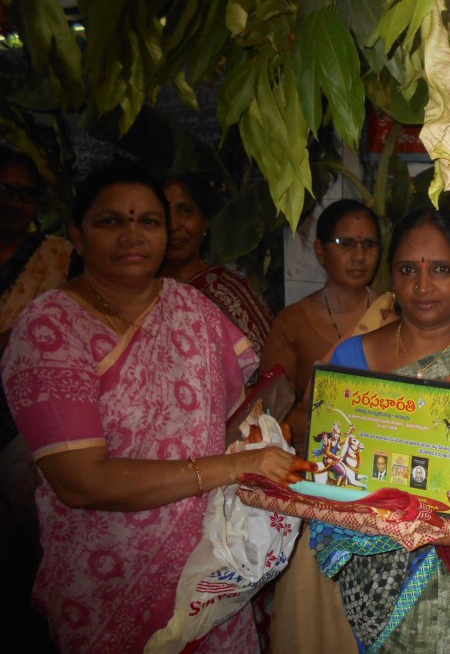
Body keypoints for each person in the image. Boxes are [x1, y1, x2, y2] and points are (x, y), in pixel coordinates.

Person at [0, 163, 301, 653]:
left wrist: (261, 440)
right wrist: (233, 467)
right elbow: (80, 481)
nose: (132, 235)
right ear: (77, 234)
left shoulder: (194, 310)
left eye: (148, 221)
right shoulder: (50, 329)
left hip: (210, 569)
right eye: (111, 221)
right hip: (110, 576)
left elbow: (227, 423)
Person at [277, 206, 450, 653]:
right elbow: (328, 474)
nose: (423, 286)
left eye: (441, 269)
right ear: (392, 277)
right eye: (408, 270)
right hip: (374, 589)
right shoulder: (350, 360)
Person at [0, 147, 76, 651]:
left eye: (26, 194)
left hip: (29, 421)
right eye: (7, 190)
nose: (16, 202)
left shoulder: (59, 258)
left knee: (34, 542)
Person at [260, 199, 382, 445]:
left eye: (369, 244)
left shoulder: (395, 314)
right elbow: (269, 410)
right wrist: (346, 429)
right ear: (320, 251)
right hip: (313, 457)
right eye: (345, 244)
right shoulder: (293, 323)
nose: (360, 256)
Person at [160, 173, 274, 360]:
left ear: (204, 221)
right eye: (163, 213)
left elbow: (263, 366)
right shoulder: (136, 293)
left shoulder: (230, 292)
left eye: (185, 211)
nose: (173, 225)